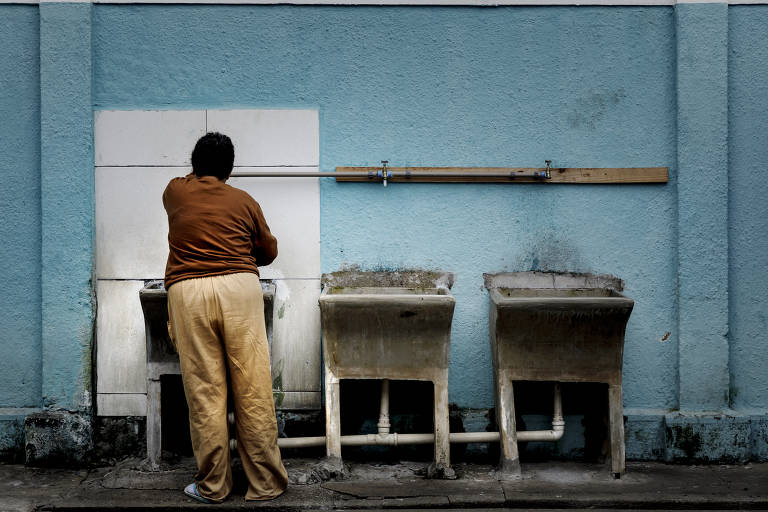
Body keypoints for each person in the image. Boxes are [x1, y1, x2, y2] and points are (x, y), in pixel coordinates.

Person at [163, 132, 288, 503]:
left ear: (193, 164)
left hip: (188, 292)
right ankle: (264, 484)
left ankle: (214, 486)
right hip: (240, 288)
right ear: (230, 169)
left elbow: (190, 180)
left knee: (205, 391)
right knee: (252, 389)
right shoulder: (244, 200)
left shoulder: (174, 191)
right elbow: (268, 251)